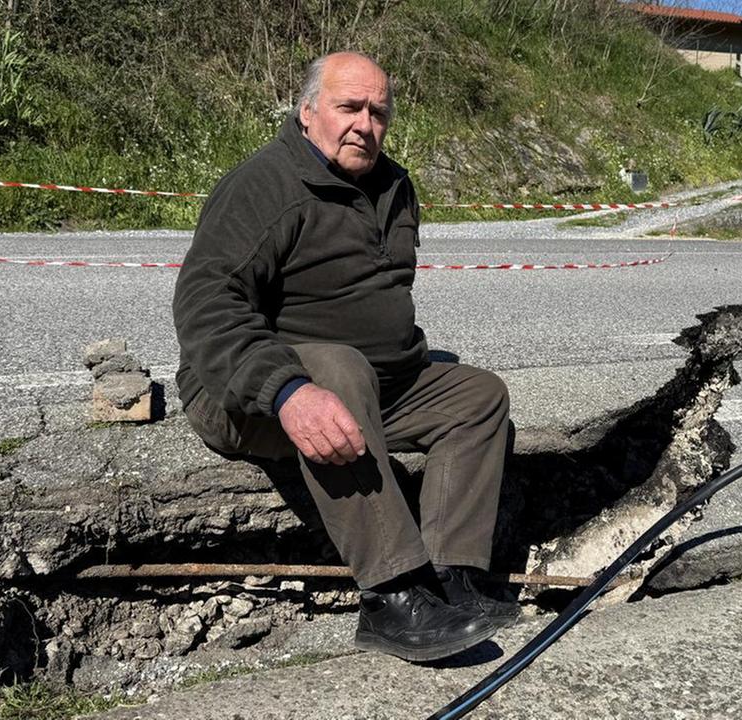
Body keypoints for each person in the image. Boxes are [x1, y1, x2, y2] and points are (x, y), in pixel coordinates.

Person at [172, 51, 517, 663]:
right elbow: (206, 305)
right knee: (339, 368)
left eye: (378, 111)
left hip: (372, 388)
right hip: (251, 395)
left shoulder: (393, 186)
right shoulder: (263, 186)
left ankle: (448, 578)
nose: (365, 123)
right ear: (307, 112)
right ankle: (391, 595)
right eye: (348, 107)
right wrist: (286, 392)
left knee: (478, 396)